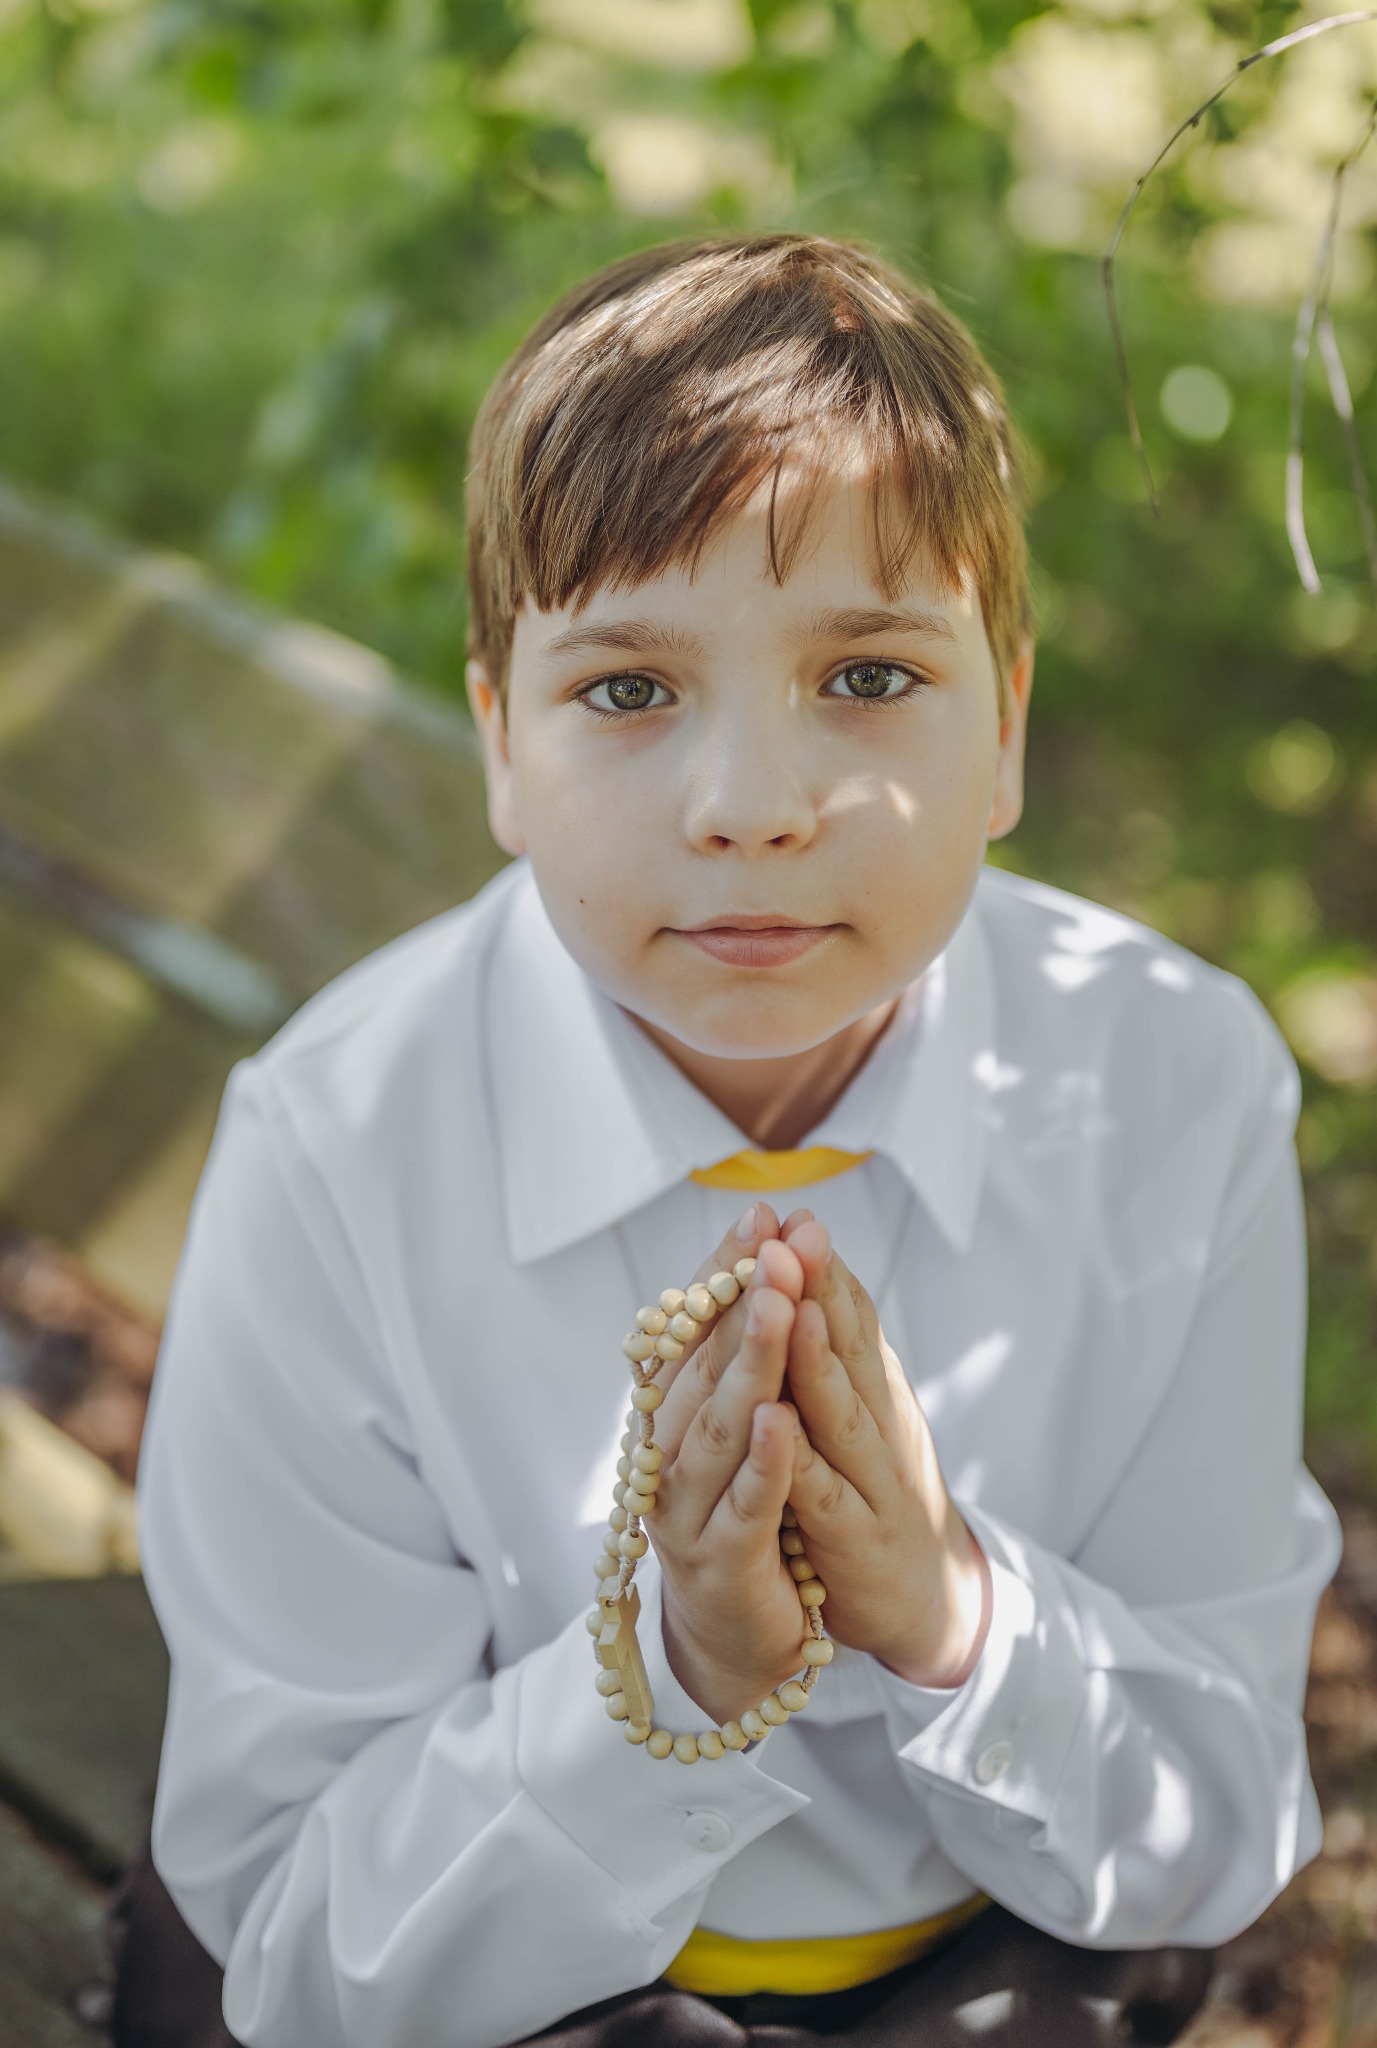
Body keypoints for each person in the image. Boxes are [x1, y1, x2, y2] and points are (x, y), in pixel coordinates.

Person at [112, 234, 1340, 2048]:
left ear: (1004, 727)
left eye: (868, 676)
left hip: (990, 1968)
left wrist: (951, 1613)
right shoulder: (341, 1147)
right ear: (501, 748)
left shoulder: (1168, 1082)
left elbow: (1211, 1818)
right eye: (627, 690)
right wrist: (669, 1681)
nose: (753, 809)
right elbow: (297, 1937)